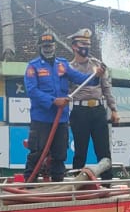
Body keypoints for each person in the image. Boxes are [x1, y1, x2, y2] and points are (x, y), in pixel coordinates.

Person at [23, 32, 99, 182]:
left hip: (61, 118)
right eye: (45, 46)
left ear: (55, 46)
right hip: (41, 119)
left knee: (59, 154)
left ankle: (58, 183)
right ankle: (28, 184)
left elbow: (80, 78)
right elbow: (32, 91)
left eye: (50, 46)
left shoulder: (63, 65)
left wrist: (96, 76)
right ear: (40, 47)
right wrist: (53, 101)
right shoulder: (33, 67)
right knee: (37, 152)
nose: (48, 49)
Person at [68, 30, 118, 179]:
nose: (86, 47)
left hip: (98, 110)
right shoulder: (69, 68)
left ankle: (107, 183)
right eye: (83, 44)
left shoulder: (97, 65)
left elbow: (106, 88)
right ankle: (78, 184)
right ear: (74, 47)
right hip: (79, 111)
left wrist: (114, 109)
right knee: (80, 151)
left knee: (103, 150)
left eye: (88, 45)